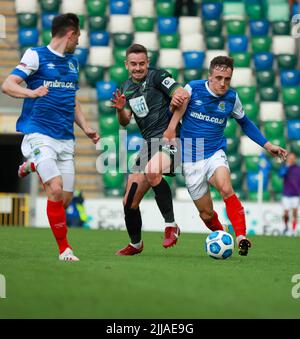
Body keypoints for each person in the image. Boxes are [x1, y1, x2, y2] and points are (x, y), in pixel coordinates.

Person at [165, 56, 288, 256]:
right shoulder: (193, 88)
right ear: (210, 76)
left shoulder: (232, 98)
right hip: (190, 158)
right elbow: (174, 111)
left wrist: (267, 145)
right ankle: (223, 234)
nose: (223, 83)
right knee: (205, 214)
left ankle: (241, 236)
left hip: (214, 152)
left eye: (227, 79)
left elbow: (245, 122)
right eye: (219, 78)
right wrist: (170, 125)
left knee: (225, 187)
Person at [1, 13, 100, 261]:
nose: (79, 41)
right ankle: (65, 249)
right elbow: (8, 85)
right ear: (70, 33)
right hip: (38, 133)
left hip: (65, 139)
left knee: (64, 200)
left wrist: (86, 127)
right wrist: (32, 93)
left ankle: (33, 165)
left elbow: (72, 99)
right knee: (55, 189)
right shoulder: (36, 55)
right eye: (78, 36)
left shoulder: (73, 63)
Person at [111, 43, 189, 256]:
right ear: (126, 65)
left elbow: (182, 93)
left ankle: (171, 225)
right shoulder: (126, 87)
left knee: (152, 171)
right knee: (128, 201)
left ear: (148, 63)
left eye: (142, 64)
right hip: (149, 145)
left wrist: (172, 127)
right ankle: (136, 244)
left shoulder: (157, 77)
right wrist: (120, 110)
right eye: (133, 64)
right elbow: (126, 121)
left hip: (171, 139)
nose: (138, 68)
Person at [279, 152, 300, 235]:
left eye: (293, 158)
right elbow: (280, 174)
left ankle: (294, 230)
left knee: (295, 212)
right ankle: (286, 227)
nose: (291, 159)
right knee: (286, 213)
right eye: (290, 158)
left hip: (295, 194)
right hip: (286, 194)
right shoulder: (285, 168)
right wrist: (287, 167)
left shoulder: (298, 169)